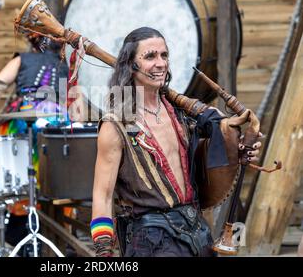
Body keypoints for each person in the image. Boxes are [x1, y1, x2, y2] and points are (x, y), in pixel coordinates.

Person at [90, 27, 262, 257]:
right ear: (131, 65)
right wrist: (104, 253)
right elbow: (103, 194)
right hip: (152, 242)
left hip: (197, 233)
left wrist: (237, 151)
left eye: (164, 55)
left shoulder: (181, 115)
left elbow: (205, 161)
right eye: (150, 56)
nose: (160, 63)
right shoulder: (115, 125)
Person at [0, 32, 68, 255]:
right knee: (53, 175)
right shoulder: (66, 64)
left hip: (24, 120)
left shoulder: (22, 59)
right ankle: (52, 224)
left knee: (21, 174)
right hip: (58, 123)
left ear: (32, 43)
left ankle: (20, 224)